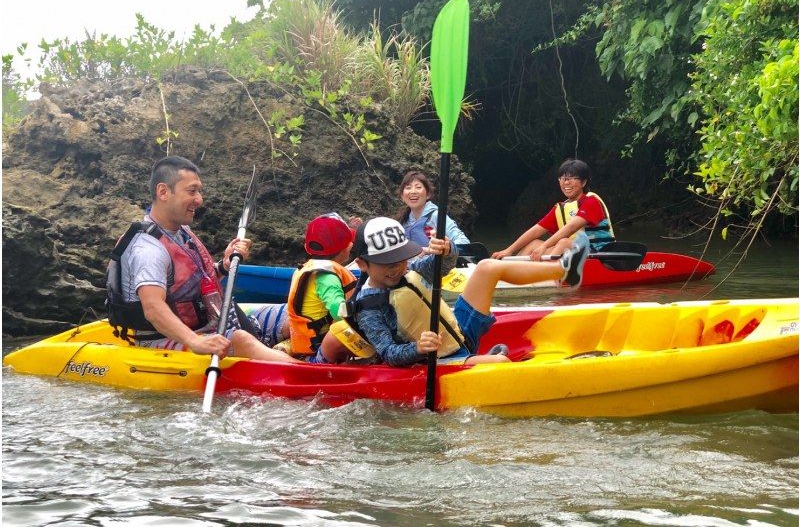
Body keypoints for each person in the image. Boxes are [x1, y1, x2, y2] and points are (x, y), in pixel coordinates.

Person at [105, 155, 298, 363]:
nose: (199, 199)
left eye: (199, 191)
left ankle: (296, 352)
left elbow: (195, 286)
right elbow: (153, 309)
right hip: (163, 341)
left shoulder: (181, 231)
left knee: (295, 312)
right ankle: (310, 374)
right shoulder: (148, 249)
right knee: (241, 339)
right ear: (163, 192)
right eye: (191, 191)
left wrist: (224, 266)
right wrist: (195, 342)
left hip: (208, 323)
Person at [349, 216, 589, 367]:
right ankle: (485, 358)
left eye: (399, 259)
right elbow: (389, 353)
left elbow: (443, 265)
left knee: (486, 267)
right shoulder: (368, 306)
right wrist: (418, 348)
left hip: (459, 331)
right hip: (437, 358)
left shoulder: (410, 269)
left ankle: (563, 270)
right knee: (500, 363)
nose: (396, 268)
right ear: (362, 264)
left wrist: (447, 249)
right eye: (386, 263)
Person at [491, 159, 614, 261]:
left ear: (583, 182)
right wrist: (508, 250)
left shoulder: (591, 201)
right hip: (577, 254)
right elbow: (536, 231)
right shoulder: (560, 208)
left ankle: (546, 277)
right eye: (562, 178)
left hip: (599, 255)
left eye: (572, 178)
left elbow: (570, 228)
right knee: (533, 244)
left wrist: (544, 246)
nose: (566, 183)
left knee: (563, 243)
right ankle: (513, 272)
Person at [284, 213, 360, 363]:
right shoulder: (327, 278)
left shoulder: (307, 268)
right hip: (317, 347)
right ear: (346, 248)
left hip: (304, 341)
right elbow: (339, 312)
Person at [397, 170, 471, 255]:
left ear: (428, 194)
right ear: (402, 196)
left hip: (435, 266)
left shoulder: (436, 216)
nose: (413, 191)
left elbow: (464, 242)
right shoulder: (402, 222)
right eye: (408, 187)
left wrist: (447, 247)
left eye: (418, 187)